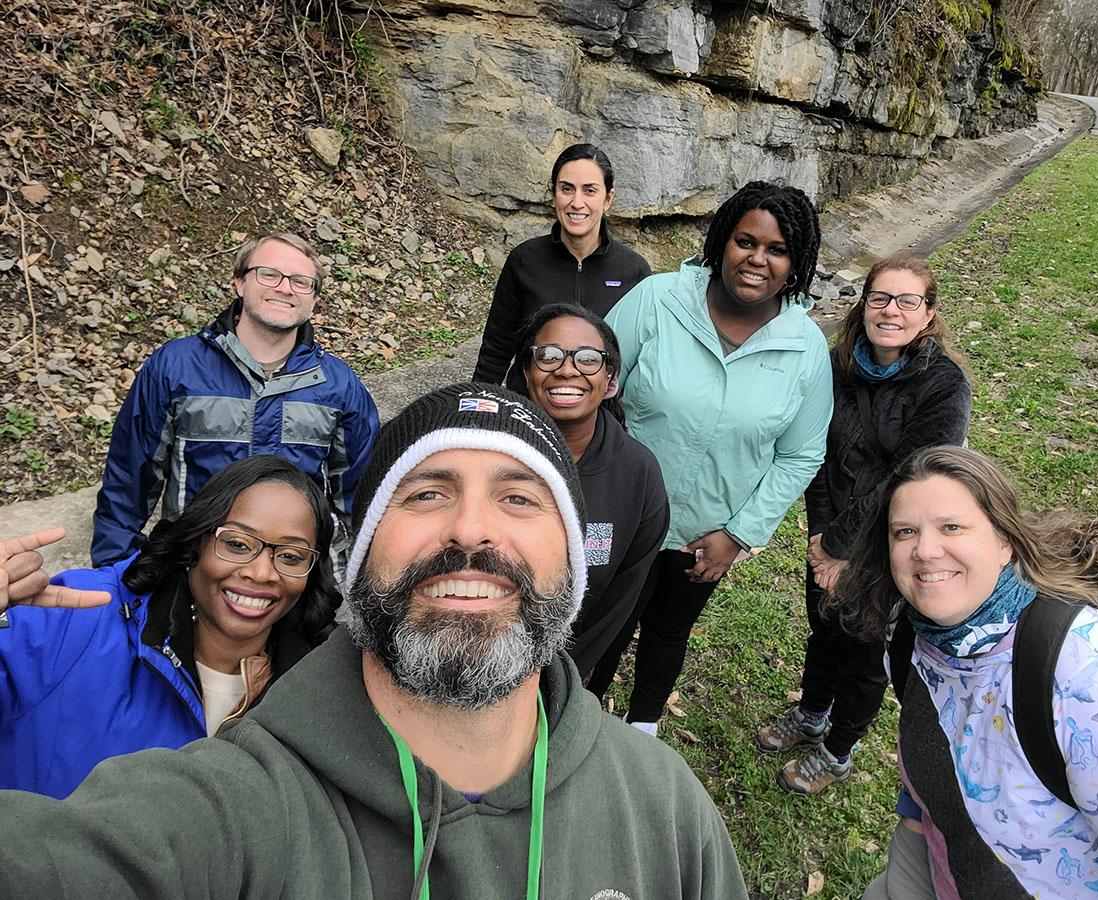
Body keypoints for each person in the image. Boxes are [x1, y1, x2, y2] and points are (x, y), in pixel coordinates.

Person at [0, 383, 749, 900]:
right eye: (426, 493)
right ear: (361, 559)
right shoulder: (232, 809)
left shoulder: (669, 811)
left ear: (574, 559)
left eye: (520, 498)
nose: (470, 529)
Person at [833, 446, 1098, 900]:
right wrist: (917, 817)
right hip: (936, 863)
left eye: (952, 527)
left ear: (1004, 540)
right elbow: (941, 739)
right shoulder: (912, 632)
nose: (925, 550)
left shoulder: (1097, 680)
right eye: (905, 531)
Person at [597, 181, 834, 735]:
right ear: (720, 241)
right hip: (619, 516)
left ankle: (642, 731)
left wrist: (739, 533)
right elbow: (595, 392)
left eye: (777, 250)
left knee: (667, 632)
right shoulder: (657, 300)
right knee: (599, 624)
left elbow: (801, 455)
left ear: (796, 263)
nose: (758, 259)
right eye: (745, 241)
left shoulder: (805, 347)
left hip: (705, 535)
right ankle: (570, 719)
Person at [755, 255, 972, 794]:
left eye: (907, 301)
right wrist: (822, 538)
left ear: (929, 313)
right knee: (825, 627)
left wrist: (841, 545)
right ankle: (810, 714)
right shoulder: (835, 366)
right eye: (880, 298)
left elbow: (912, 476)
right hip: (828, 532)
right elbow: (816, 451)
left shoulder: (944, 386)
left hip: (894, 538)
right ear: (864, 303)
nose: (891, 311)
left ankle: (838, 749)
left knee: (864, 647)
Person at [2, 455, 340, 798]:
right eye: (237, 544)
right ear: (196, 541)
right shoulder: (80, 614)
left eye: (290, 557)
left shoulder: (323, 685)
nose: (262, 572)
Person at [90, 232, 379, 568]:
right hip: (193, 568)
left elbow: (362, 497)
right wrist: (113, 575)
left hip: (295, 576)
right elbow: (128, 480)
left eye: (301, 282)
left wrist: (364, 581)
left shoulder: (339, 384)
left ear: (314, 300)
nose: (285, 288)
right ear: (239, 283)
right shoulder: (174, 367)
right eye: (269, 274)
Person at [513, 303, 670, 683]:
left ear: (610, 380)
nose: (566, 370)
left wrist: (565, 678)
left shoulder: (639, 475)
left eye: (587, 359)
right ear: (527, 370)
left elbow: (620, 600)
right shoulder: (488, 453)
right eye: (548, 356)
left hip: (567, 671)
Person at [472, 143, 651, 393]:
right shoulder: (524, 260)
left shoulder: (634, 271)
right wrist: (477, 405)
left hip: (598, 415)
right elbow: (497, 346)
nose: (577, 202)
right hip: (530, 409)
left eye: (590, 191)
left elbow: (641, 359)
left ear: (608, 198)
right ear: (554, 194)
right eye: (567, 189)